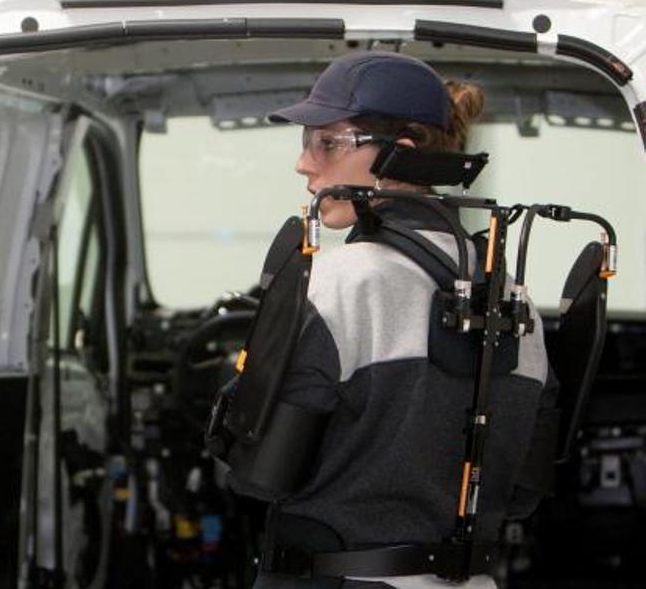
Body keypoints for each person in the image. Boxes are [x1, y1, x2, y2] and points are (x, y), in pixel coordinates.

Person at [237, 51, 556, 588]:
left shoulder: (336, 284)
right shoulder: (516, 303)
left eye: (328, 143)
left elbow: (257, 473)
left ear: (398, 155)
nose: (305, 163)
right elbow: (524, 491)